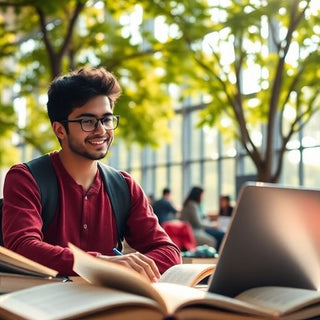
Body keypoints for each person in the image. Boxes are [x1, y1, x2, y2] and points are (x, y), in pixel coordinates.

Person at [2, 67, 181, 281]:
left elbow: (169, 251)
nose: (101, 130)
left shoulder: (123, 186)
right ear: (60, 130)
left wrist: (122, 268)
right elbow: (23, 248)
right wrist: (99, 264)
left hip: (106, 304)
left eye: (106, 119)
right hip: (41, 305)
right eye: (87, 121)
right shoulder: (26, 178)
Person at [179, 186, 225, 251]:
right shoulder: (192, 205)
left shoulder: (193, 204)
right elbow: (198, 224)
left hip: (197, 229)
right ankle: (216, 258)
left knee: (220, 234)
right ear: (198, 195)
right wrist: (213, 225)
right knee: (216, 238)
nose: (203, 197)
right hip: (194, 231)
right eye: (202, 195)